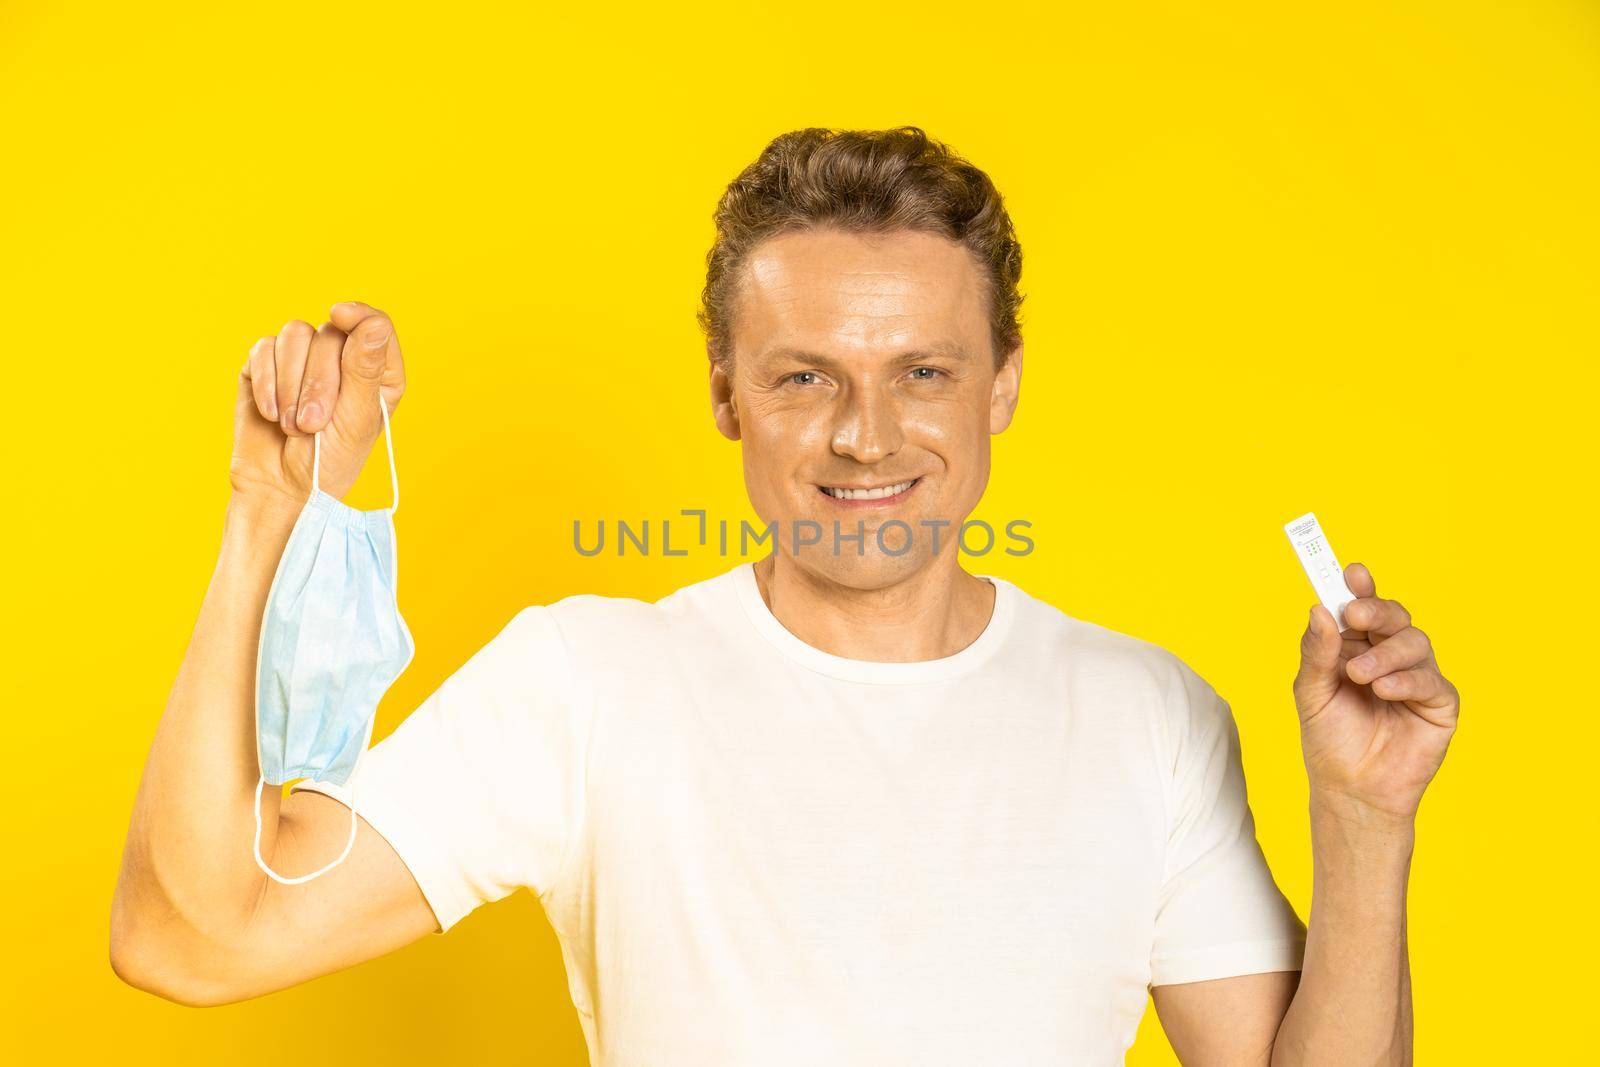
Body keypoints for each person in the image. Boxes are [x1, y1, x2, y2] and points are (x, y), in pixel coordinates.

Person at [110, 127, 1459, 1065]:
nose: (867, 438)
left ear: (1001, 386)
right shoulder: (587, 688)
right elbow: (192, 936)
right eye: (806, 376)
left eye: (922, 373)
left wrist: (1362, 820)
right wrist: (266, 517)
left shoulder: (1146, 716)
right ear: (724, 392)